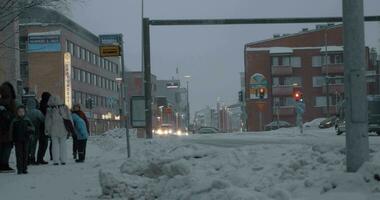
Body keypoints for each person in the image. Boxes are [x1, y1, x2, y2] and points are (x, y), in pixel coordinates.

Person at [45, 96, 73, 165]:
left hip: (54, 129)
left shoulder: (50, 109)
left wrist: (47, 129)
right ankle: (63, 160)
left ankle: (56, 161)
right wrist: (71, 127)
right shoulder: (65, 107)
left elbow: (48, 121)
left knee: (55, 145)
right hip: (63, 128)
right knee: (63, 144)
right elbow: (69, 118)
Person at [10, 105, 35, 174]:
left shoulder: (27, 120)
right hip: (17, 140)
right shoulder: (15, 121)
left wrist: (29, 131)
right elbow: (11, 131)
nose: (21, 113)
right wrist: (11, 140)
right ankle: (19, 169)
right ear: (17, 112)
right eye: (19, 112)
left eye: (22, 112)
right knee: (19, 155)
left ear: (25, 112)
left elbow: (33, 128)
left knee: (25, 154)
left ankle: (24, 168)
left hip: (26, 140)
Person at [0, 82, 16, 173]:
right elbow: (14, 114)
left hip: (2, 128)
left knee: (2, 146)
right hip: (8, 128)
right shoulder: (10, 101)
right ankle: (4, 165)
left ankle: (2, 164)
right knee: (7, 146)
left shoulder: (1, 100)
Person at [26, 98, 44, 165]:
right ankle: (32, 159)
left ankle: (26, 158)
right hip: (35, 130)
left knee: (27, 145)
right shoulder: (37, 112)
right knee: (33, 145)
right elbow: (43, 119)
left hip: (26, 132)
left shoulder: (25, 111)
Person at [37, 92, 51, 165]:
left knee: (42, 144)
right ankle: (40, 158)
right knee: (44, 144)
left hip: (41, 127)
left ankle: (40, 158)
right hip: (44, 127)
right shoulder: (45, 106)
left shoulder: (41, 105)